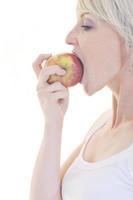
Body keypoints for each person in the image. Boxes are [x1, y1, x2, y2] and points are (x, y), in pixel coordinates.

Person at [29, 0, 133, 199]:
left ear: (128, 37)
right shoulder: (103, 124)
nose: (69, 38)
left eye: (86, 26)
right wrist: (53, 122)